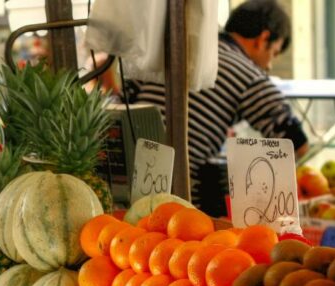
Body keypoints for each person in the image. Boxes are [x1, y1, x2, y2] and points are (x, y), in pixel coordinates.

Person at [129, 0, 308, 209]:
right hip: (179, 198)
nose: (268, 65)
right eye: (274, 53)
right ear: (263, 38)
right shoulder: (249, 75)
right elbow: (296, 142)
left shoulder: (174, 48)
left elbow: (127, 94)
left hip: (130, 180)